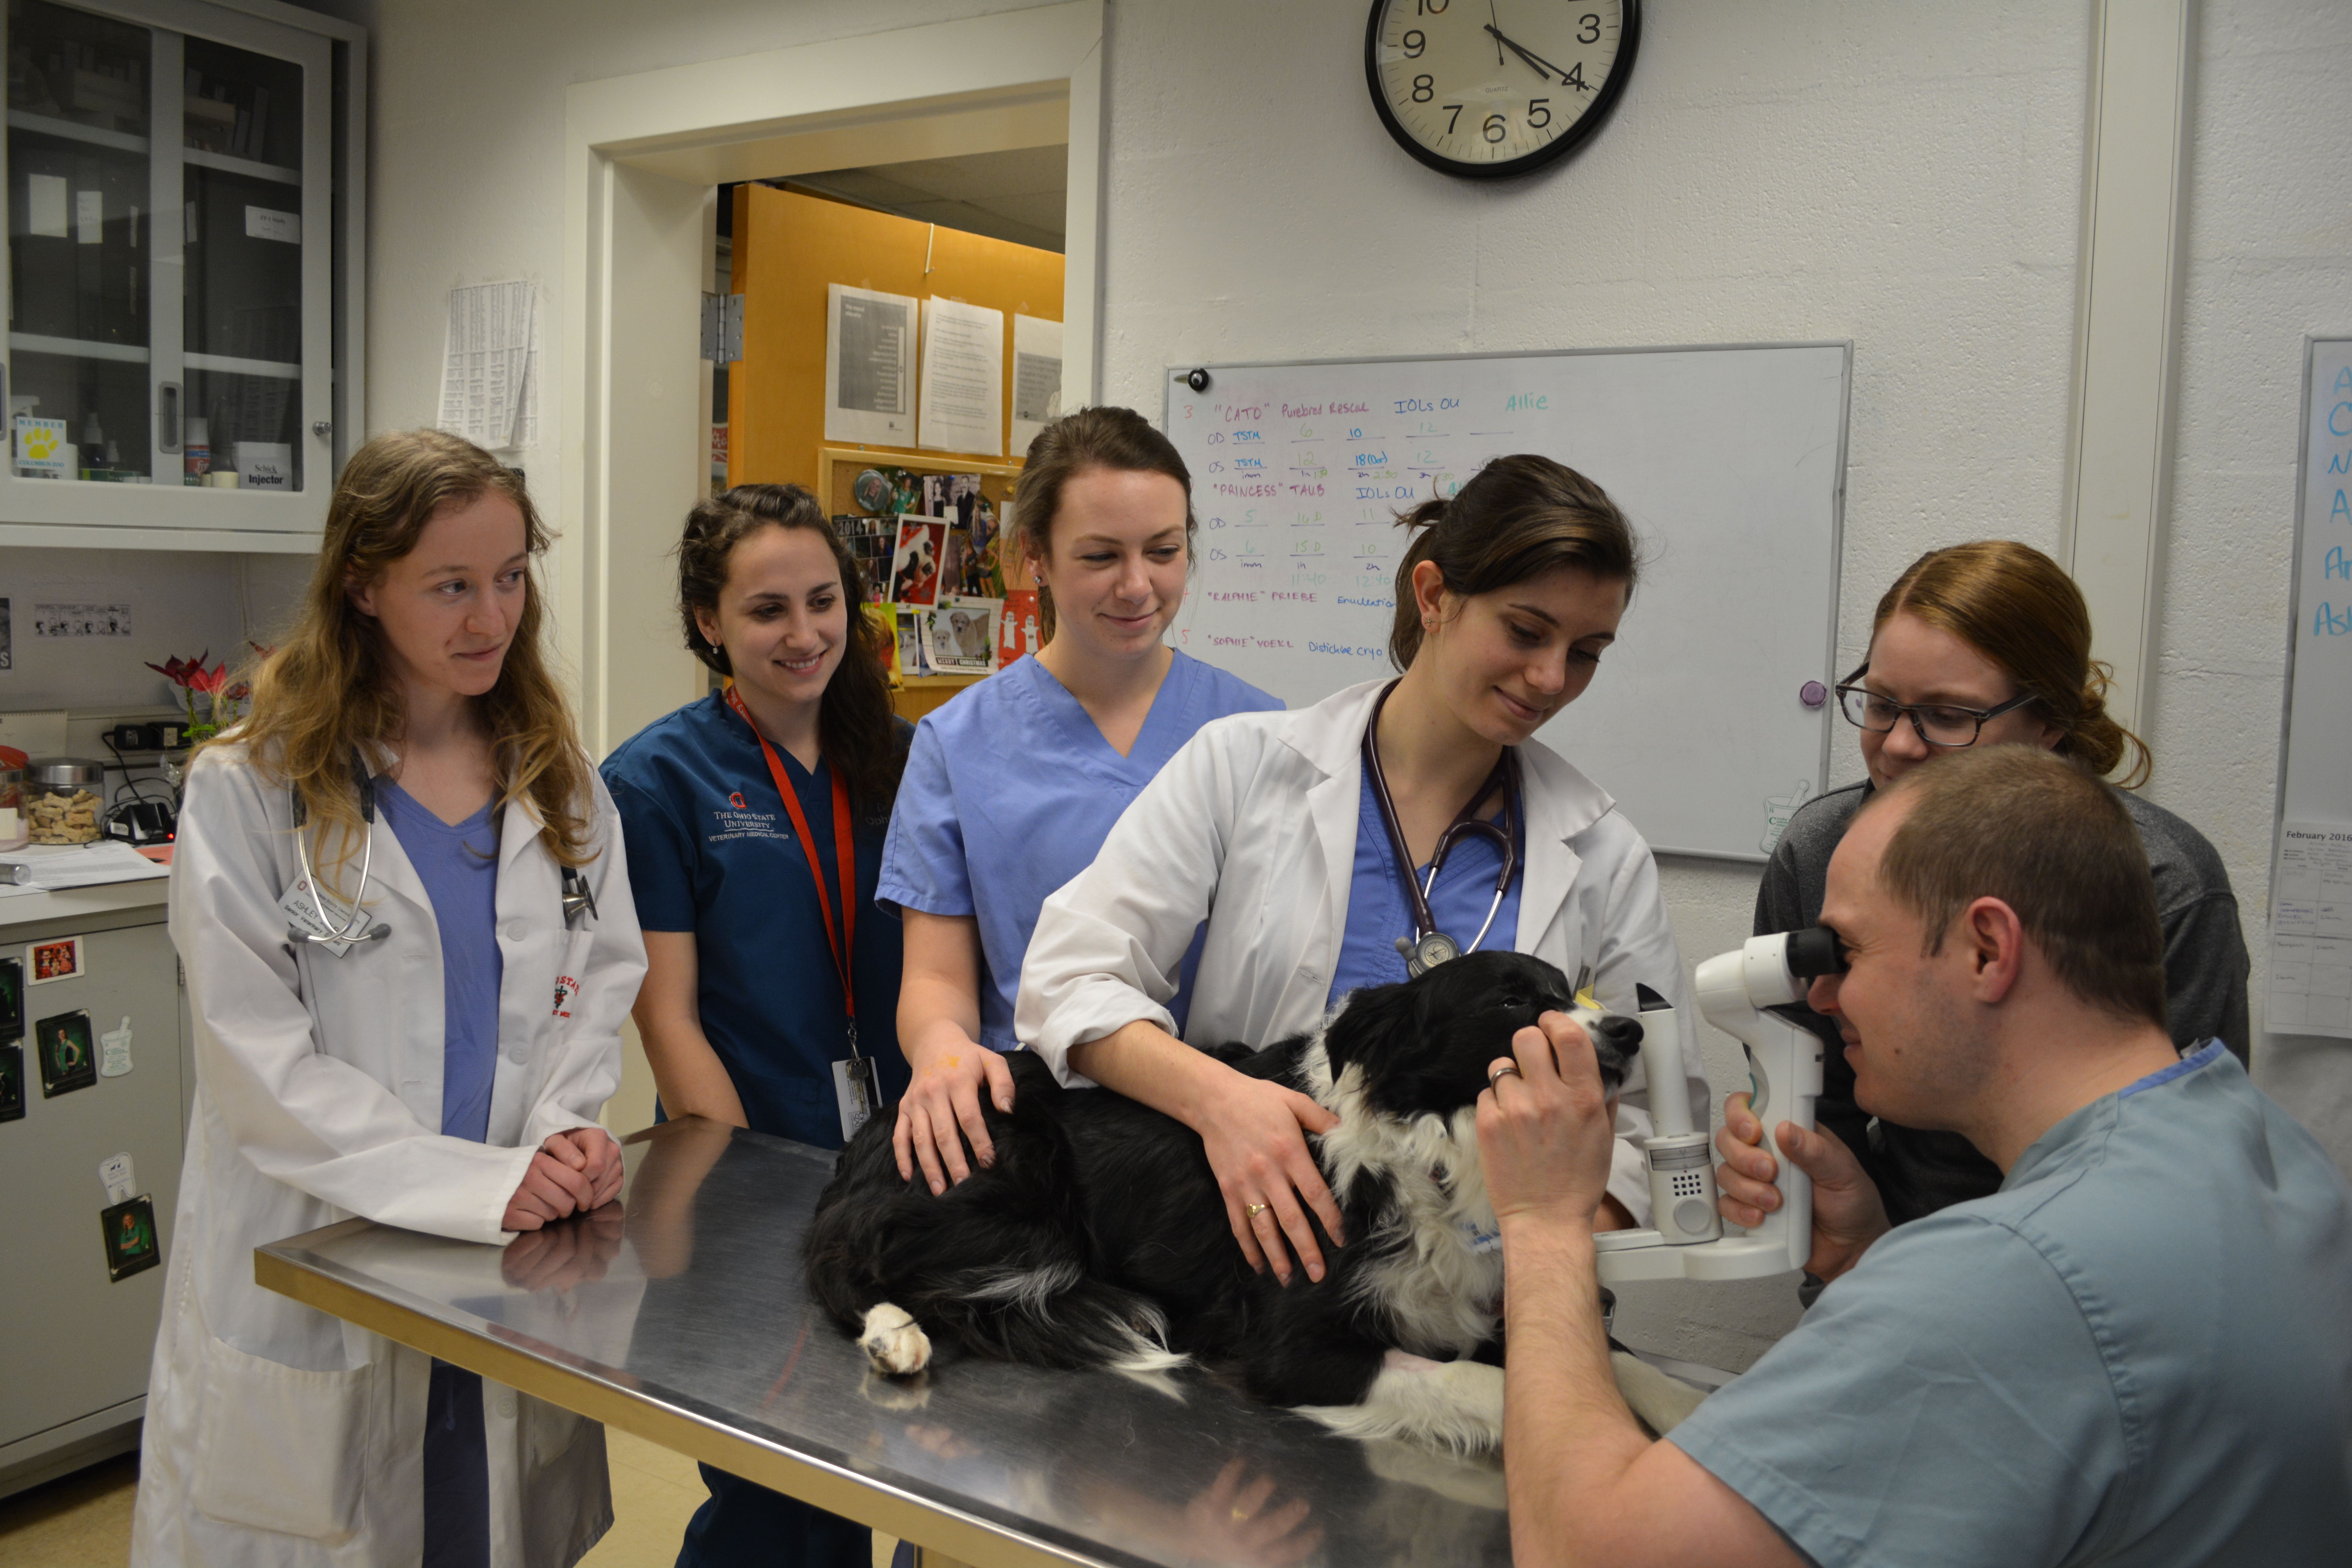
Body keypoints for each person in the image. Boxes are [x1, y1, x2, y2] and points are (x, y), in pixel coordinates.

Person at [1477, 743, 2352, 1568]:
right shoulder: (2259, 1146)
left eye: (1847, 950)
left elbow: (1584, 1549)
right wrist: (1872, 1259)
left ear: (1987, 948)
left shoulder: (2012, 1276)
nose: (1822, 993)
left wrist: (1544, 1223)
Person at [132, 430, 646, 1568]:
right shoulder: (252, 790)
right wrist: (488, 1183)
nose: (491, 617)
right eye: (451, 586)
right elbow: (258, 1069)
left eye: (510, 577)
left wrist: (566, 1140)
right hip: (326, 1253)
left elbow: (592, 992)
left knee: (483, 1519)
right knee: (347, 1519)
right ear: (362, 585)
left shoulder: (557, 782)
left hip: (503, 1264)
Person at [1019, 454, 1710, 1283]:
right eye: (1526, 631)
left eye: (1588, 650)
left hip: (1481, 1305)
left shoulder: (1600, 852)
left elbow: (1657, 1121)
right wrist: (1222, 1103)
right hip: (1239, 1270)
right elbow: (1070, 976)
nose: (1552, 678)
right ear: (1433, 596)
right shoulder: (1244, 768)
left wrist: (1508, 1259)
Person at [1734, 541, 2251, 1225]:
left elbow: (2183, 1155)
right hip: (1891, 1246)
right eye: (1882, 703)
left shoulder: (2162, 882)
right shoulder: (1823, 849)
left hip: (2092, 1260)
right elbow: (1817, 1108)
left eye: (1950, 718)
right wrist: (1846, 1257)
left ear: (2050, 725)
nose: (1896, 745)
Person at [600, 484, 911, 1568]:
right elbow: (670, 1020)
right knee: (785, 1495)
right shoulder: (657, 783)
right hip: (748, 1165)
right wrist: (765, 1189)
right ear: (708, 624)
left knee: (913, 1459)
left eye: (822, 602)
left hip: (903, 1163)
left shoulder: (905, 760)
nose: (804, 634)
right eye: (767, 610)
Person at [880, 405, 1280, 1194]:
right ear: (1035, 556)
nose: (1139, 585)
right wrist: (941, 1049)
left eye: (1164, 551)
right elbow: (937, 977)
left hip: (1223, 1135)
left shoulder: (1260, 732)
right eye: (1100, 555)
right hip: (1040, 1135)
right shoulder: (959, 742)